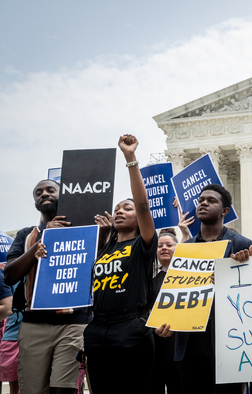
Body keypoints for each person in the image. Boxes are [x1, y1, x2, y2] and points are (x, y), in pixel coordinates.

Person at [156, 183, 252, 394]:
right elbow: (177, 294)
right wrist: (165, 323)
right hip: (189, 346)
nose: (203, 203)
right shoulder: (184, 249)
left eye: (211, 201)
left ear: (224, 211)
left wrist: (243, 267)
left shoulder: (242, 245)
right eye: (201, 200)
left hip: (229, 346)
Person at [83, 134, 158, 394]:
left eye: (127, 208)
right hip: (98, 329)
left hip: (130, 329)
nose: (120, 211)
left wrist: (130, 158)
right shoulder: (105, 249)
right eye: (117, 208)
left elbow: (144, 205)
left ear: (139, 218)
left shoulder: (143, 245)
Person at [4, 179, 92, 394]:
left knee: (64, 389)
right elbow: (9, 275)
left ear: (63, 196)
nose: (44, 194)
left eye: (50, 190)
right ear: (35, 202)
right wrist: (44, 238)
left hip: (73, 324)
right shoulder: (27, 235)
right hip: (34, 325)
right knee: (33, 390)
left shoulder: (85, 230)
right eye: (38, 192)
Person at [148, 231, 183, 394]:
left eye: (169, 245)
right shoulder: (147, 278)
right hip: (153, 341)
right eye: (159, 245)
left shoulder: (187, 277)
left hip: (179, 340)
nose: (164, 248)